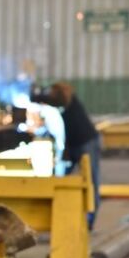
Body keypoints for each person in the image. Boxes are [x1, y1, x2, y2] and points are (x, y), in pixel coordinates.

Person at [32, 82, 101, 229]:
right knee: (61, 179)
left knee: (91, 181)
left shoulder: (66, 99)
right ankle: (58, 214)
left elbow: (53, 100)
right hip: (73, 144)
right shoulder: (63, 102)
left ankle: (89, 221)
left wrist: (34, 96)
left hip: (86, 142)